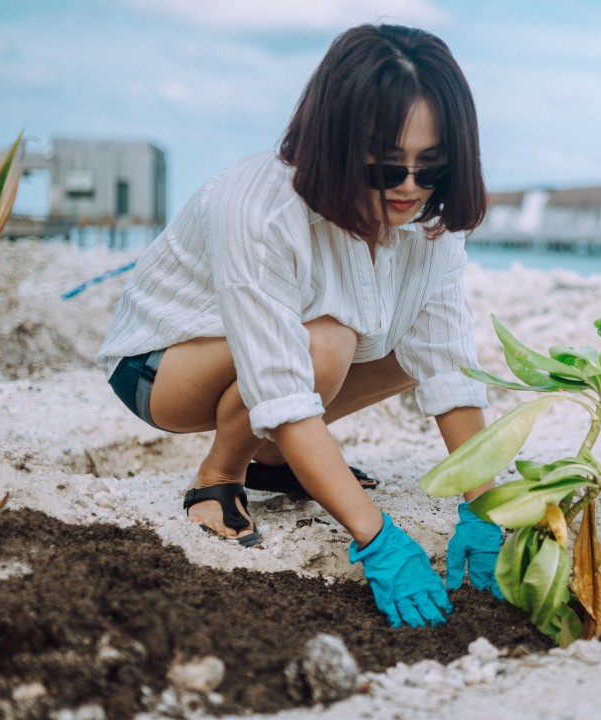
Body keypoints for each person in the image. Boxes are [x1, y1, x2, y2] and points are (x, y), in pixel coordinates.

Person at [96, 23, 503, 629]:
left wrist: (485, 507)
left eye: (431, 167)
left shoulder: (427, 220)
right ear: (338, 143)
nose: (410, 189)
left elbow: (445, 360)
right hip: (162, 366)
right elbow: (281, 386)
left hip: (286, 362)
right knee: (327, 340)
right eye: (388, 167)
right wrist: (376, 537)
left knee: (402, 340)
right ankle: (221, 476)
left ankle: (277, 461)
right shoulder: (260, 207)